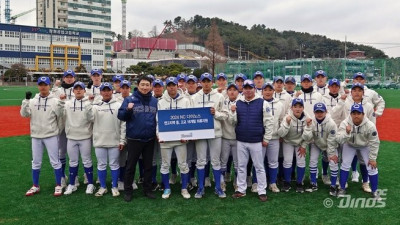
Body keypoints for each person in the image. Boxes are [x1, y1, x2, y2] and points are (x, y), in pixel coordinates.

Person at [230, 80, 273, 202]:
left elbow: (269, 122)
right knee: (241, 166)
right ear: (242, 90)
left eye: (250, 88)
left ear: (254, 89)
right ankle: (241, 189)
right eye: (246, 88)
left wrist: (266, 138)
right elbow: (233, 122)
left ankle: (262, 190)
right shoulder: (238, 103)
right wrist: (233, 112)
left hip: (256, 141)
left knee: (259, 166)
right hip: (242, 140)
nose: (248, 90)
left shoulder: (262, 103)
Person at [21, 76, 64, 196]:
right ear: (38, 86)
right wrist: (25, 102)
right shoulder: (33, 101)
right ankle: (35, 185)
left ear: (49, 86)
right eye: (41, 85)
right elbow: (24, 115)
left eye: (45, 85)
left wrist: (61, 105)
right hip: (36, 135)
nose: (43, 87)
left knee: (55, 161)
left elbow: (60, 116)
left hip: (50, 135)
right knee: (36, 162)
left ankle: (58, 185)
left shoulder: (54, 101)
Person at [118, 75, 158, 202]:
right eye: (142, 84)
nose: (145, 87)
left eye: (147, 85)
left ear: (151, 86)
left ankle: (147, 189)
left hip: (150, 138)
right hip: (134, 138)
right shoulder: (130, 99)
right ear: (138, 85)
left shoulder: (155, 101)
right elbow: (121, 116)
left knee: (148, 166)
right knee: (130, 166)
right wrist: (128, 110)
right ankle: (128, 190)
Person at [191, 72, 228, 199]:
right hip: (200, 133)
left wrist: (215, 113)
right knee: (201, 160)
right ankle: (200, 188)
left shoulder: (219, 96)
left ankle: (218, 188)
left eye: (208, 81)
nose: (206, 83)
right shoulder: (194, 97)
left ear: (212, 82)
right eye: (204, 81)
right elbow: (190, 116)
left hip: (215, 133)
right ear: (200, 82)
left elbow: (225, 115)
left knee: (215, 160)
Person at [336, 104, 381, 200]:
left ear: (363, 114)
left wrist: (373, 158)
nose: (356, 115)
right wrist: (347, 133)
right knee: (345, 165)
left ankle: (375, 191)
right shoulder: (345, 123)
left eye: (358, 113)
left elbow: (375, 142)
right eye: (354, 113)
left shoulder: (370, 125)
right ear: (351, 114)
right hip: (349, 145)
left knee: (372, 167)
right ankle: (342, 188)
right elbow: (339, 139)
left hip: (365, 145)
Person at [157, 77, 192, 199]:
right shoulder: (161, 101)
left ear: (178, 86)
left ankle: (184, 188)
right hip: (165, 140)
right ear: (167, 87)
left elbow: (188, 120)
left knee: (183, 164)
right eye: (169, 85)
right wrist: (159, 135)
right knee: (165, 164)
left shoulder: (185, 101)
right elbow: (158, 121)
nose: (172, 87)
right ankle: (167, 188)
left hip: (180, 140)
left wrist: (186, 136)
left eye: (174, 85)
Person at [88, 82, 126, 197]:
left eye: (108, 90)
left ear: (112, 91)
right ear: (100, 92)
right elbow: (89, 118)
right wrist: (89, 103)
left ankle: (114, 186)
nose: (106, 92)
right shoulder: (95, 106)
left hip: (114, 141)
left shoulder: (119, 105)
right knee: (101, 164)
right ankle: (103, 187)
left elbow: (123, 124)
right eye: (104, 90)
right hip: (100, 141)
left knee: (114, 165)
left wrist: (122, 140)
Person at [59, 81, 95, 195]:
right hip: (71, 137)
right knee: (73, 161)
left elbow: (91, 119)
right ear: (73, 91)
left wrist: (89, 104)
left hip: (85, 137)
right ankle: (72, 184)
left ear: (84, 90)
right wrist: (60, 101)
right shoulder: (68, 103)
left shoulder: (88, 103)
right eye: (76, 88)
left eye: (81, 88)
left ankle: (90, 184)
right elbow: (61, 115)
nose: (78, 90)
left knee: (87, 160)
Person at [277, 98, 313, 193]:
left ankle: (299, 183)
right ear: (292, 108)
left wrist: (304, 146)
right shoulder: (287, 117)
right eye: (295, 106)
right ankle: (287, 182)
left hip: (301, 142)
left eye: (300, 106)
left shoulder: (307, 118)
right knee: (287, 161)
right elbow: (281, 134)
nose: (298, 109)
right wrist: (287, 124)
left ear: (303, 108)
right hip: (288, 141)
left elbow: (308, 136)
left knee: (301, 161)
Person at [305, 103, 339, 195]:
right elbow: (307, 137)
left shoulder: (331, 123)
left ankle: (333, 186)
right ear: (314, 112)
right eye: (317, 112)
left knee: (333, 161)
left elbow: (332, 141)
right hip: (316, 143)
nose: (319, 114)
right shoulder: (311, 122)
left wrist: (331, 154)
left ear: (326, 112)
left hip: (330, 145)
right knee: (312, 160)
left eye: (321, 112)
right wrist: (308, 127)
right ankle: (313, 183)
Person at [52, 70, 77, 187]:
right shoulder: (58, 90)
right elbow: (53, 104)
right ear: (63, 78)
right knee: (61, 151)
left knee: (74, 153)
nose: (69, 79)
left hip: (74, 124)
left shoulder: (78, 89)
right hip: (61, 124)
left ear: (74, 78)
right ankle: (62, 176)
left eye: (71, 77)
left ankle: (74, 176)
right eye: (67, 77)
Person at [261, 82, 284, 193]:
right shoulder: (258, 102)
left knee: (273, 161)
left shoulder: (279, 104)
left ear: (273, 91)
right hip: (260, 137)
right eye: (265, 90)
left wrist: (280, 134)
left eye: (270, 90)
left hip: (274, 137)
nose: (268, 92)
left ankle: (272, 183)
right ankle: (259, 183)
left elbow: (281, 120)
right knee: (259, 162)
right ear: (262, 91)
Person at [220, 83, 240, 191]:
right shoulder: (223, 102)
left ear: (238, 92)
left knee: (237, 162)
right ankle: (222, 182)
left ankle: (236, 182)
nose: (232, 92)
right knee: (223, 161)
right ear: (227, 92)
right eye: (230, 90)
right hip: (225, 136)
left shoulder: (241, 103)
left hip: (237, 138)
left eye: (234, 90)